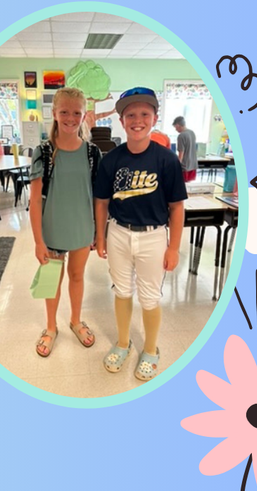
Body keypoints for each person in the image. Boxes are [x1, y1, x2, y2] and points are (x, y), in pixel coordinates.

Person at [94, 87, 186, 382]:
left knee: (149, 297)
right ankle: (123, 343)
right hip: (119, 233)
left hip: (153, 236)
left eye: (144, 114)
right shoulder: (112, 159)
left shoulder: (166, 160)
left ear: (155, 118)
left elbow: (176, 207)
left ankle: (150, 349)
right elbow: (101, 202)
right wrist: (101, 236)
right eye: (131, 114)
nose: (138, 120)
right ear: (121, 120)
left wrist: (173, 247)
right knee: (122, 291)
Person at [28, 88, 100, 357]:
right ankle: (50, 327)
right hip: (52, 232)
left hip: (82, 229)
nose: (71, 117)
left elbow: (97, 197)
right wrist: (38, 241)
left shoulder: (92, 153)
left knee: (78, 277)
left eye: (77, 112)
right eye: (65, 112)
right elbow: (35, 201)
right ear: (55, 114)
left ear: (84, 116)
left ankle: (76, 320)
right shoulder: (44, 152)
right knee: (50, 281)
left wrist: (98, 231)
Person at [174, 116, 198, 182]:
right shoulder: (192, 132)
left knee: (182, 186)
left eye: (175, 127)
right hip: (193, 165)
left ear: (178, 125)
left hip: (185, 166)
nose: (175, 129)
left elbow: (181, 153)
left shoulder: (181, 136)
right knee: (189, 186)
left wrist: (177, 165)